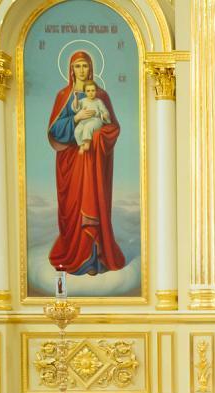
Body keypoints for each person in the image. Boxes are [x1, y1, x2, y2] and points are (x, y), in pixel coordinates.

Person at [47, 50, 125, 276]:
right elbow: (54, 131)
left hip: (93, 161)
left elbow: (113, 127)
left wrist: (99, 135)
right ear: (71, 70)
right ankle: (74, 255)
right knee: (72, 207)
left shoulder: (102, 96)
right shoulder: (63, 96)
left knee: (93, 205)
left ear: (91, 68)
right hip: (71, 161)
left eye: (85, 65)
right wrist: (76, 118)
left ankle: (94, 259)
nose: (81, 70)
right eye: (77, 66)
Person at [71, 81, 112, 154]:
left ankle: (87, 143)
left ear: (96, 91)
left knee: (88, 126)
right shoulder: (82, 101)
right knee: (77, 131)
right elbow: (76, 107)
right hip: (84, 120)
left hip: (96, 120)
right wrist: (76, 97)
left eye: (93, 90)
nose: (90, 93)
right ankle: (81, 145)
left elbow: (105, 111)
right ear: (85, 92)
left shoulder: (98, 101)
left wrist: (104, 115)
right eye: (88, 91)